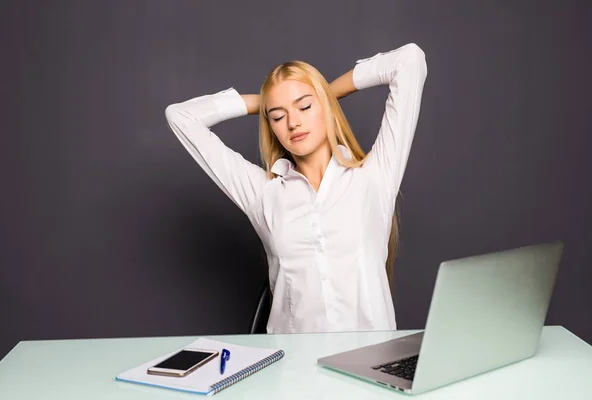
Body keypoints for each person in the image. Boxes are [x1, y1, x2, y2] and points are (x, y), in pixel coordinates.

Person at [165, 42, 427, 334]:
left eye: (304, 106)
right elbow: (180, 117)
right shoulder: (263, 193)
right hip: (293, 368)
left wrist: (327, 92)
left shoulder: (374, 176)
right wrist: (262, 103)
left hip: (371, 362)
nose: (293, 122)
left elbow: (409, 60)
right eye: (277, 116)